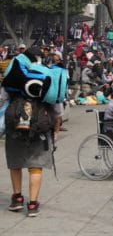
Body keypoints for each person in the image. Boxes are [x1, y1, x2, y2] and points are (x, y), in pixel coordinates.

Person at [4, 48, 62, 217]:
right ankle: (32, 204)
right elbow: (57, 105)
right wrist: (56, 126)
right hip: (40, 126)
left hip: (15, 125)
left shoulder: (15, 76)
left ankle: (17, 198)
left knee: (15, 161)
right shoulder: (46, 75)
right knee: (35, 165)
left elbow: (3, 98)